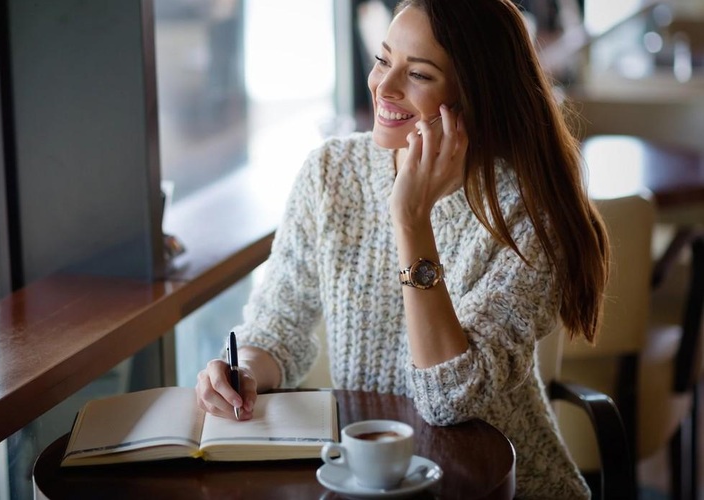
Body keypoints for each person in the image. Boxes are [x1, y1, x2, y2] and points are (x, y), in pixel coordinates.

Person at [195, 0, 609, 497]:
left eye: (417, 74)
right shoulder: (330, 174)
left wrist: (410, 219)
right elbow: (278, 327)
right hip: (366, 478)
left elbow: (448, 399)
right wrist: (242, 373)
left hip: (501, 486)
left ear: (473, 97)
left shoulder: (525, 211)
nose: (384, 87)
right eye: (381, 59)